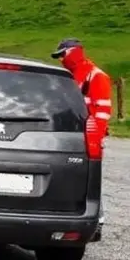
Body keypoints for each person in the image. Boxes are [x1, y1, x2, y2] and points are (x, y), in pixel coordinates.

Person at [51, 38, 112, 241]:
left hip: (89, 137)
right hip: (71, 134)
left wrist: (95, 139)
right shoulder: (69, 77)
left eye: (62, 55)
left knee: (89, 180)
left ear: (73, 52)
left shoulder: (96, 76)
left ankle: (97, 223)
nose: (61, 60)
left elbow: (102, 112)